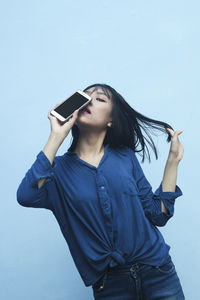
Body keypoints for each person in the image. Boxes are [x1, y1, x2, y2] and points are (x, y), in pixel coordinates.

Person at [16, 83, 185, 299]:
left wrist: (172, 162)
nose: (89, 101)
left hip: (158, 272)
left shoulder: (125, 157)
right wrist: (56, 135)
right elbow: (26, 195)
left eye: (100, 99)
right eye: (85, 96)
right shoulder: (56, 171)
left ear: (110, 120)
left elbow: (157, 214)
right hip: (110, 285)